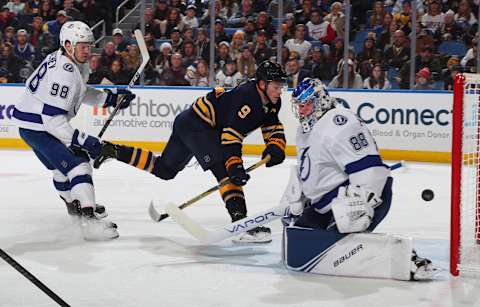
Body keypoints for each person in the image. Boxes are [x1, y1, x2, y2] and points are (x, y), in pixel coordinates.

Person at [95, 60, 288, 243]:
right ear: (262, 84)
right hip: (199, 126)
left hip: (189, 121)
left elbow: (272, 126)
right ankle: (241, 224)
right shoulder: (247, 98)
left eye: (281, 86)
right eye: (276, 86)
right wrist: (236, 166)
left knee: (165, 170)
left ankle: (113, 150)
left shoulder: (272, 101)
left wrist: (276, 146)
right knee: (225, 171)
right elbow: (230, 137)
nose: (279, 91)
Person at [281, 78, 438, 281]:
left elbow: (370, 169)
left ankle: (409, 258)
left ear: (320, 101)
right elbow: (311, 171)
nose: (301, 111)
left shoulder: (339, 122)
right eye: (299, 106)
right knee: (297, 245)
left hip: (361, 197)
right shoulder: (306, 130)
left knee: (340, 244)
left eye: (306, 104)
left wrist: (360, 203)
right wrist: (300, 196)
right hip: (325, 204)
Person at [11, 21, 136, 241]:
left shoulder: (69, 62)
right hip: (40, 127)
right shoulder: (64, 72)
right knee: (79, 164)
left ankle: (76, 208)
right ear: (68, 45)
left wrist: (111, 97)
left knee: (62, 170)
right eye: (83, 46)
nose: (88, 50)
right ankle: (89, 223)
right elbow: (53, 121)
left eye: (89, 45)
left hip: (32, 126)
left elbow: (81, 92)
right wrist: (87, 141)